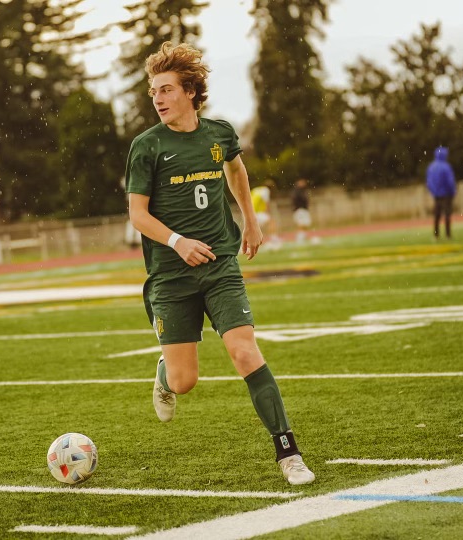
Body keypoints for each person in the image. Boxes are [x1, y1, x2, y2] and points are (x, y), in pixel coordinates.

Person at [125, 41, 314, 485]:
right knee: (184, 380)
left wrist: (249, 219)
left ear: (190, 91)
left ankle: (288, 452)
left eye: (167, 89)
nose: (158, 98)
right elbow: (137, 214)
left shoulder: (219, 133)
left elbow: (236, 170)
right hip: (171, 276)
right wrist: (177, 242)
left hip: (220, 265)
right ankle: (165, 374)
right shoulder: (146, 147)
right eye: (154, 90)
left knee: (244, 352)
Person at [426, 146, 457, 239]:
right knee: (447, 214)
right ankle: (448, 234)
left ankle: (436, 235)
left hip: (436, 195)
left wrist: (434, 191)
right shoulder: (446, 167)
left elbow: (429, 182)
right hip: (447, 195)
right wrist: (452, 192)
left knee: (437, 215)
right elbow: (450, 181)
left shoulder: (431, 167)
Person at [251, 179, 281, 250]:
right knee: (271, 222)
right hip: (257, 212)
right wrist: (268, 213)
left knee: (256, 229)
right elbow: (266, 203)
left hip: (251, 213)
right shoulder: (266, 191)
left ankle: (251, 244)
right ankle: (274, 240)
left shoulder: (256, 189)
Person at [291, 178, 312, 243]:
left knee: (306, 223)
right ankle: (299, 238)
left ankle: (302, 236)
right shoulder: (297, 192)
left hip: (304, 209)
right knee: (301, 223)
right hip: (300, 209)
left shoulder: (304, 191)